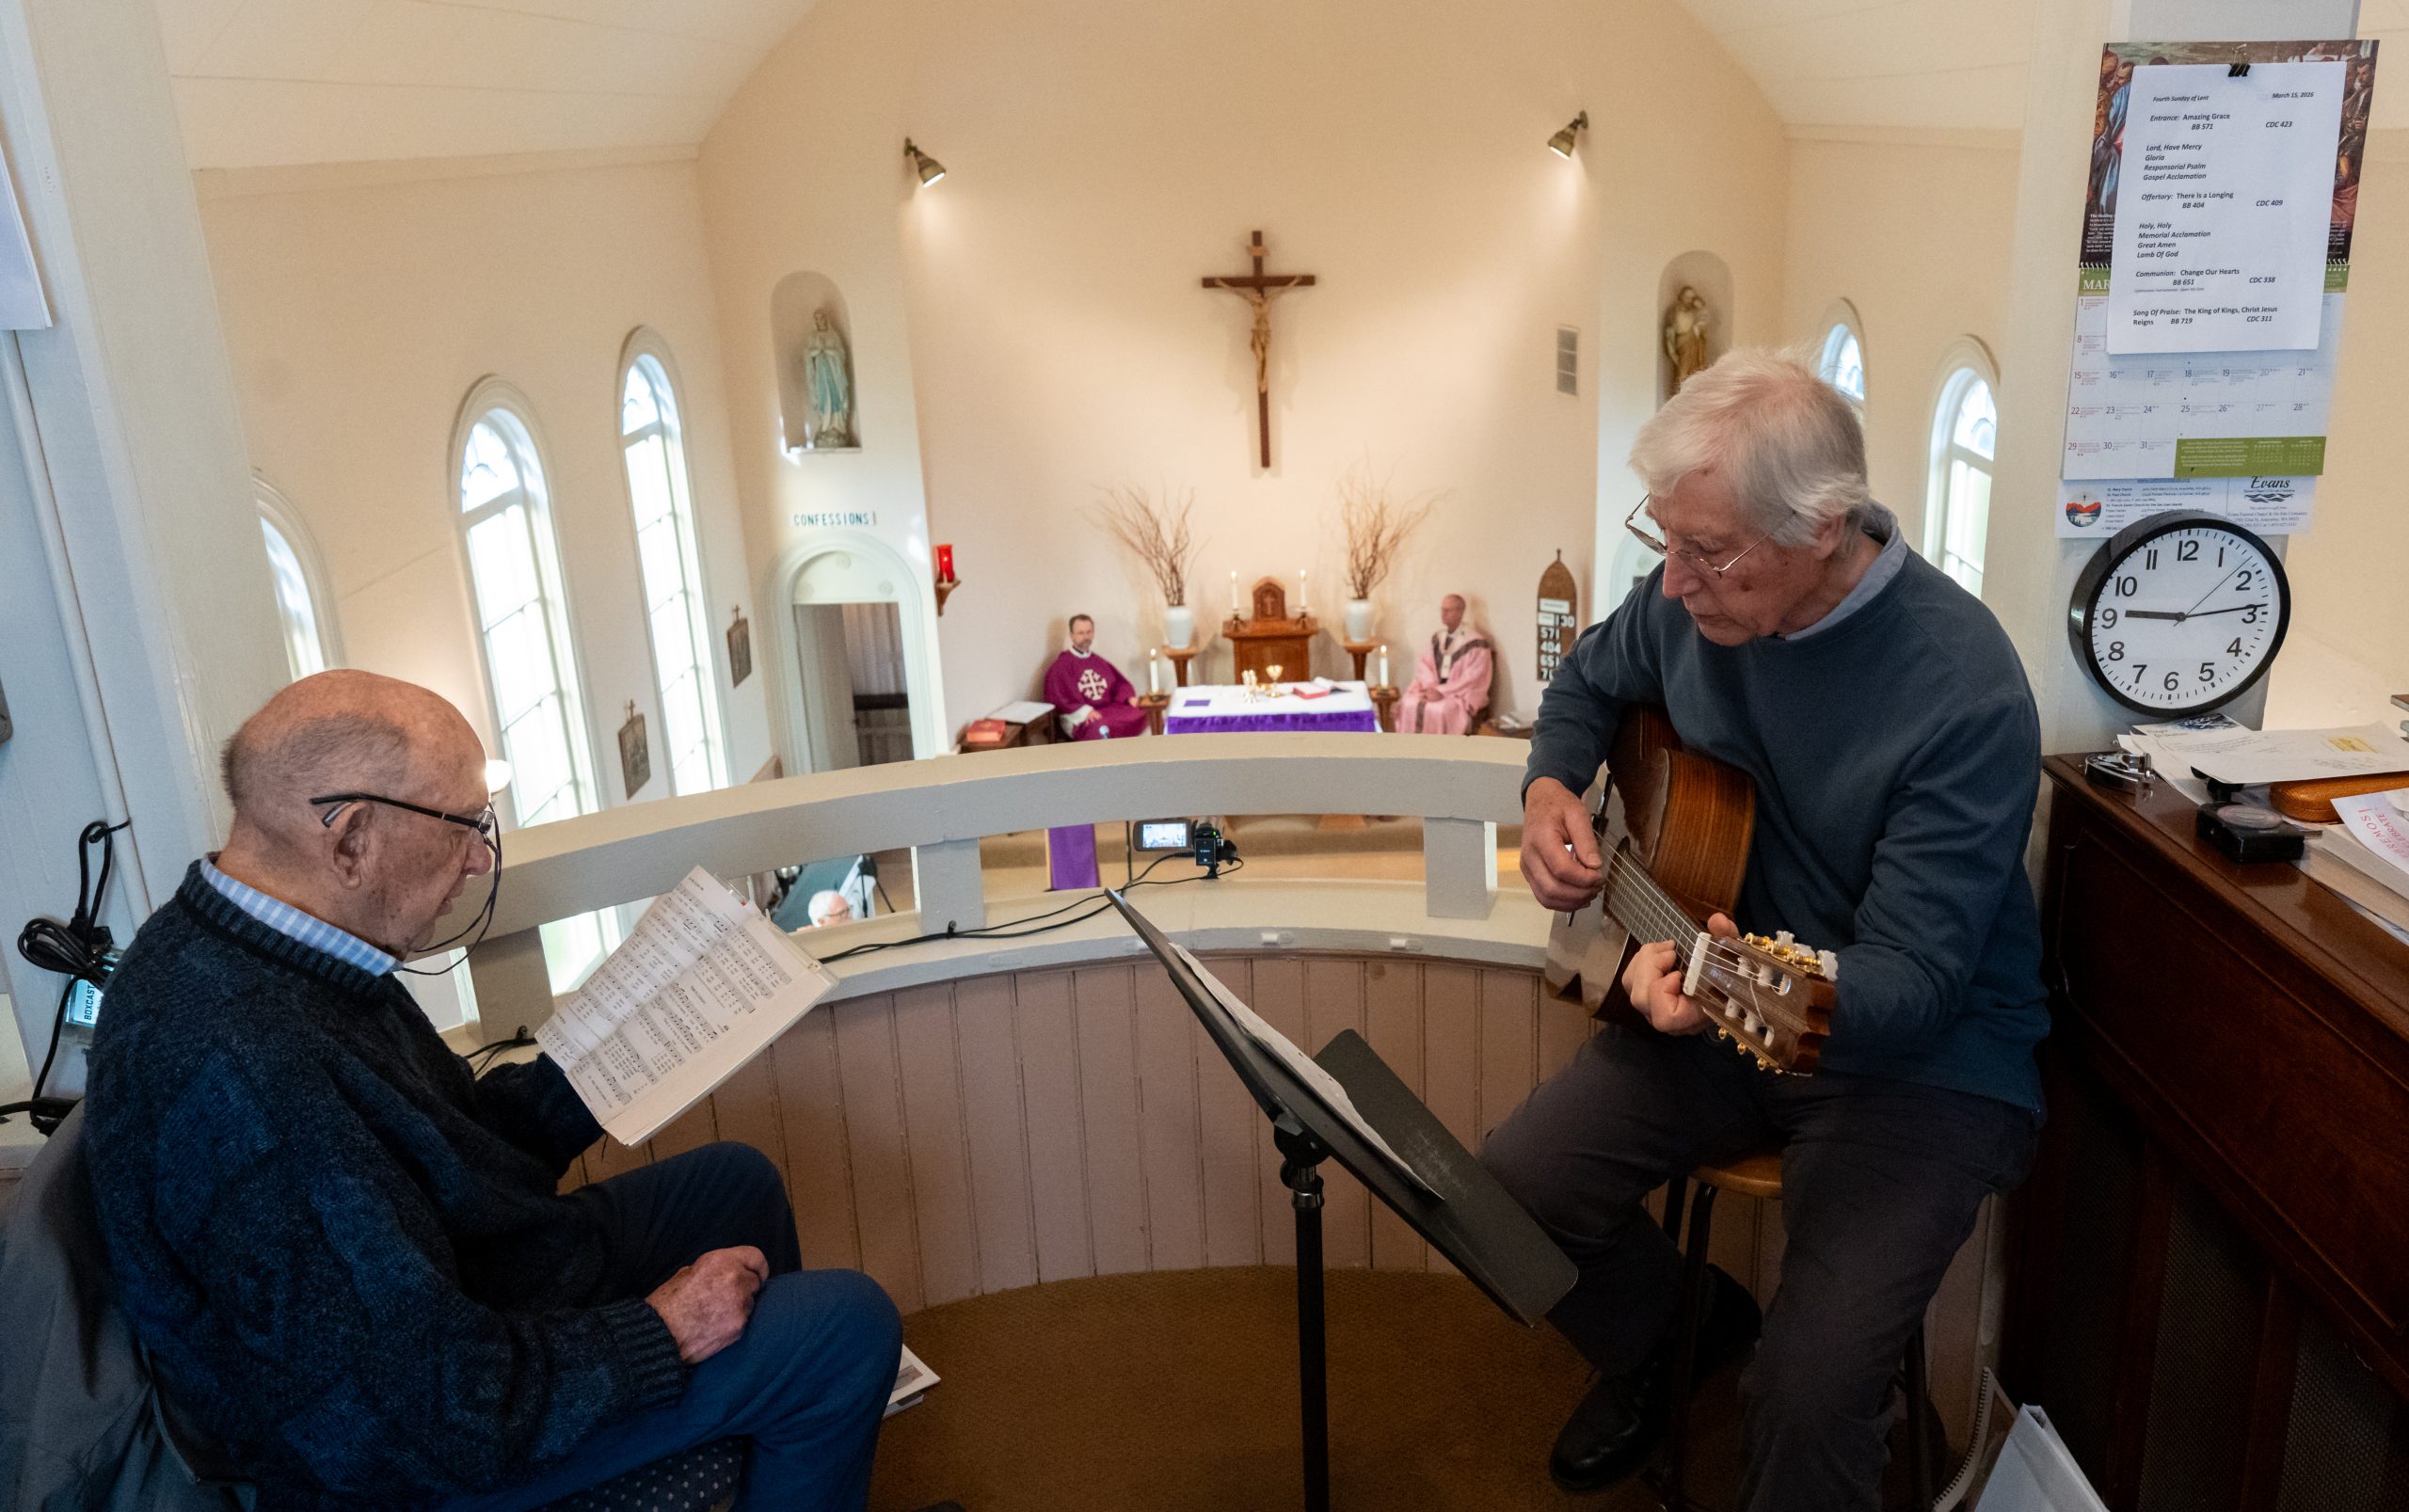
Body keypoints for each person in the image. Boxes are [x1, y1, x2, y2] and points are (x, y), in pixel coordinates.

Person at [82, 670, 918, 1512]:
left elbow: (442, 1145)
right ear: (352, 839)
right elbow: (412, 1417)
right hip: (395, 1459)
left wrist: (599, 1065)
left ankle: (778, 1444)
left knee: (735, 1181)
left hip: (443, 1303)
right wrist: (663, 1333)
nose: (481, 858)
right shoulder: (242, 1073)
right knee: (843, 1329)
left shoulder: (281, 943)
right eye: (464, 825)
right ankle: (790, 1397)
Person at [1481, 349, 2046, 1510]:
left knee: (1805, 1394)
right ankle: (1676, 1330)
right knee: (1512, 1188)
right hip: (1728, 999)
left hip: (1916, 1062)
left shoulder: (1963, 689)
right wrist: (1547, 789)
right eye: (1663, 539)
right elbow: (1587, 680)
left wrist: (1715, 978)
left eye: (1709, 550)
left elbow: (1914, 984)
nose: (1675, 581)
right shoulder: (1690, 599)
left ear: (1824, 528)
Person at [1395, 594, 1492, 735]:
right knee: (1409, 703)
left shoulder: (1477, 643)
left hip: (1458, 694)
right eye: (1442, 609)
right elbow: (1425, 665)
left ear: (1460, 612)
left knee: (1440, 710)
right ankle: (1410, 747)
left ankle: (1439, 748)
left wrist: (1441, 692)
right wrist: (1430, 688)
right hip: (1433, 689)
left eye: (1448, 610)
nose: (1443, 614)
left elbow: (1472, 678)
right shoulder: (1438, 638)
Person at [1043, 613, 1148, 740]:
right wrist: (1086, 712)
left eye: (1089, 632)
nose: (1085, 637)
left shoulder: (1098, 661)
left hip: (1107, 709)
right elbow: (1059, 698)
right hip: (1078, 716)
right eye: (1081, 633)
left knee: (1146, 711)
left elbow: (1119, 684)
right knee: (1100, 729)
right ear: (1072, 635)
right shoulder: (1061, 666)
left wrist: (1128, 698)